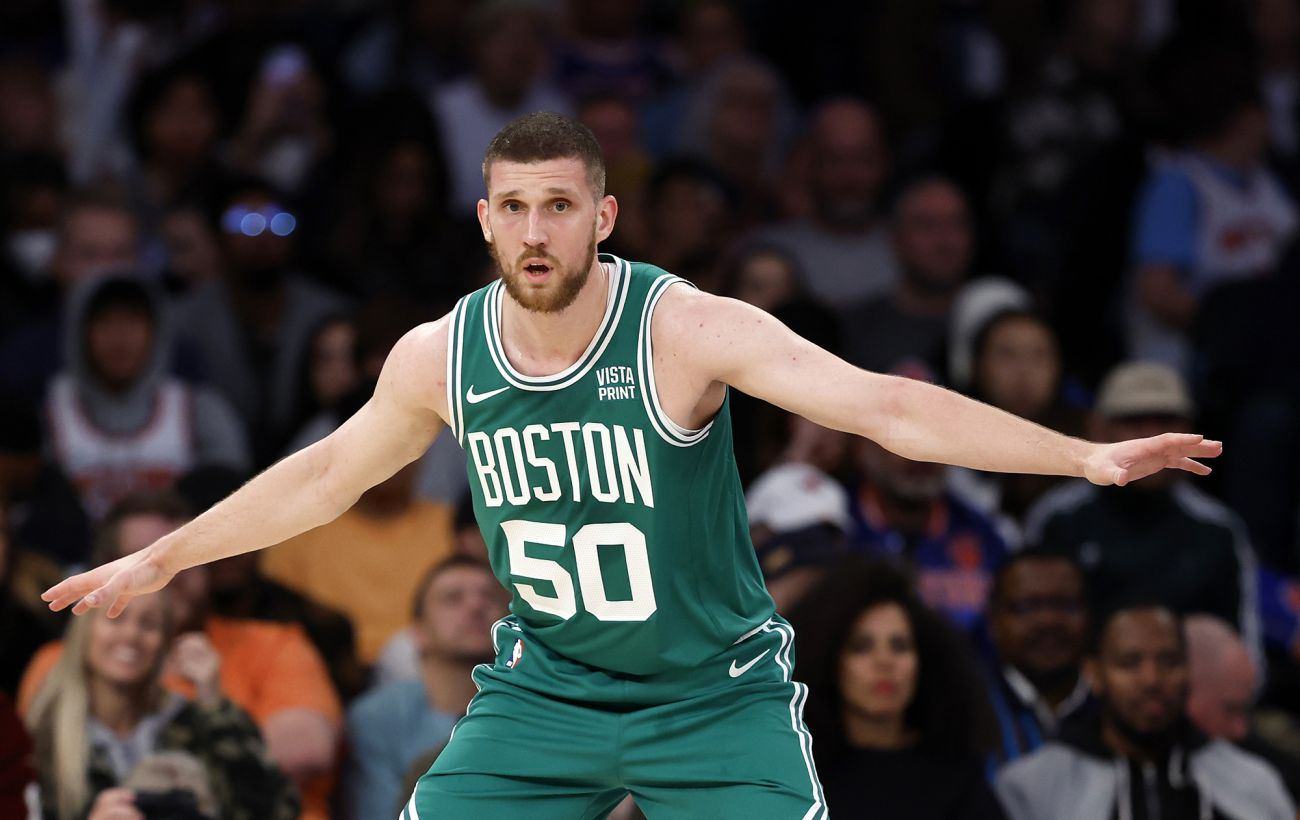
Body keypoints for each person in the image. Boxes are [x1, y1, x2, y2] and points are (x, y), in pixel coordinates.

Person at [44, 112, 1222, 818]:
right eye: (514, 207)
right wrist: (166, 554)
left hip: (711, 690)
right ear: (483, 219)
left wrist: (1082, 456)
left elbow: (883, 407)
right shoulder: (438, 353)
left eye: (560, 206)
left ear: (603, 217)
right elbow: (323, 477)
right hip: (546, 689)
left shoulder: (682, 328)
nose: (535, 231)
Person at [20, 493, 341, 820]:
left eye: (185, 558)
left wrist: (215, 707)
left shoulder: (189, 719)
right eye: (143, 557)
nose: (166, 573)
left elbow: (274, 801)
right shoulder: (50, 701)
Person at [1025, 362, 1260, 657]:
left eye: (1166, 422)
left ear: (1191, 432)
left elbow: (1245, 654)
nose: (1153, 438)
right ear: (1098, 427)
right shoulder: (1057, 519)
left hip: (1189, 683)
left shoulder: (1218, 530)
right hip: (1081, 679)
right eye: (1133, 421)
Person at [996, 604, 1295, 820]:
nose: (1152, 680)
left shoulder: (1250, 780)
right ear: (1094, 674)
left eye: (1169, 661)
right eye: (1130, 663)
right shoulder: (1033, 785)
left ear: (1189, 671)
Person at [25, 589, 297, 820]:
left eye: (149, 624)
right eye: (115, 618)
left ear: (165, 643)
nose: (131, 635)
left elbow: (276, 810)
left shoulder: (190, 721)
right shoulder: (45, 730)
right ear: (84, 629)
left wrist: (215, 705)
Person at [791, 559, 1005, 818]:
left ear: (924, 661)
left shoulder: (958, 776)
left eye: (900, 646)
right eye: (861, 647)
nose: (885, 662)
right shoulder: (798, 775)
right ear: (828, 660)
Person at [46, 274, 251, 521]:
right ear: (80, 334)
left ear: (157, 331)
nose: (119, 338)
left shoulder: (199, 409)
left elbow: (233, 500)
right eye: (104, 322)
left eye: (132, 321)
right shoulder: (50, 413)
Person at [345, 556, 507, 819]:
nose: (476, 605)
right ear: (418, 631)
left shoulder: (534, 707)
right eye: (453, 598)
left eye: (489, 597)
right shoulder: (378, 717)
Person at [840, 176, 974, 376]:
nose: (944, 241)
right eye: (926, 225)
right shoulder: (856, 329)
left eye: (956, 224)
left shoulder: (992, 324)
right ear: (895, 238)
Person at [985, 551, 1094, 765]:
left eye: (1065, 604)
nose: (1048, 621)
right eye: (1027, 606)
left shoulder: (1119, 710)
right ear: (993, 620)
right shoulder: (966, 713)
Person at [1185, 614, 1300, 802]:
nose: (1241, 730)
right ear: (1186, 691)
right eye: (1230, 710)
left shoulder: (1268, 776)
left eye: (1244, 710)